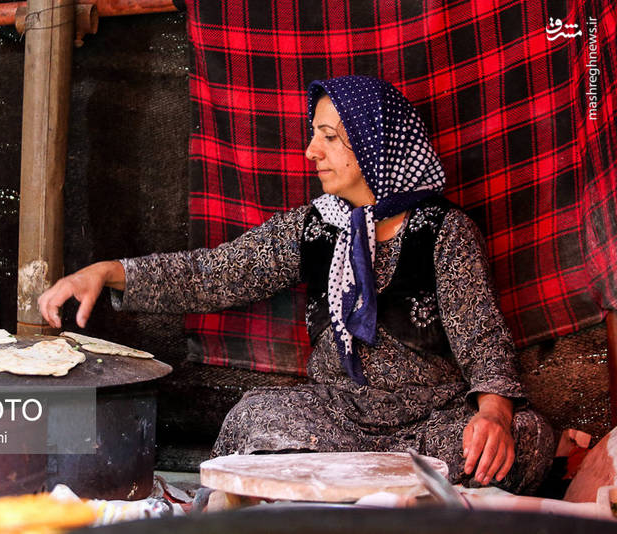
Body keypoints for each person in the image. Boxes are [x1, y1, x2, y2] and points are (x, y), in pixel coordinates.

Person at [39, 75, 555, 494]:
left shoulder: (444, 231)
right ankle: (376, 498)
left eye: (329, 137)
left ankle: (349, 496)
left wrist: (494, 415)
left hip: (427, 424)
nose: (312, 151)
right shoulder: (313, 226)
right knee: (253, 419)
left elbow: (482, 339)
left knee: (521, 440)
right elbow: (215, 273)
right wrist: (109, 271)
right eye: (315, 134)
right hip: (335, 420)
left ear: (376, 145)